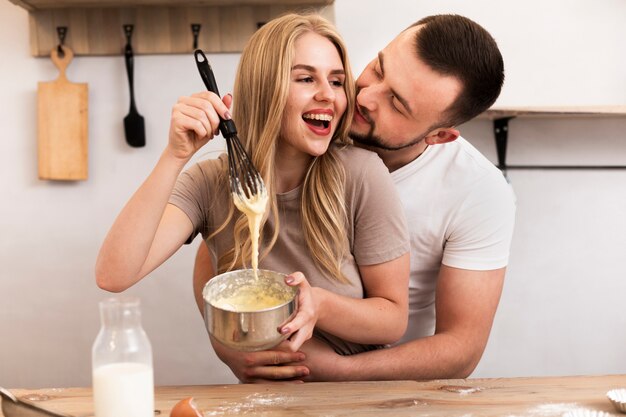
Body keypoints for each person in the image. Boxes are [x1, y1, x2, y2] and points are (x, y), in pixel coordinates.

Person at [193, 13, 516, 381]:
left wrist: (340, 371)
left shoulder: (479, 192)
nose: (363, 96)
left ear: (438, 136)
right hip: (279, 378)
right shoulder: (316, 123)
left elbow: (461, 349)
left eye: (396, 103)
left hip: (390, 388)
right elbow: (219, 247)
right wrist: (229, 346)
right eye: (378, 68)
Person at [96, 13, 410, 361]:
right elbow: (114, 274)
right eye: (306, 78)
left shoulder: (361, 174)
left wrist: (319, 304)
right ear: (264, 87)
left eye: (337, 82)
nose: (327, 95)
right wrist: (175, 155)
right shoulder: (210, 183)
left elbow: (392, 320)